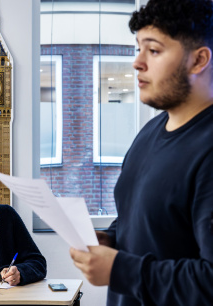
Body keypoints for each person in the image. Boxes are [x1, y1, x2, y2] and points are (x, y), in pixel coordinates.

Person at [70, 0, 213, 305]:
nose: (137, 62)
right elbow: (147, 220)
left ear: (199, 60)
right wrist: (111, 239)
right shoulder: (149, 132)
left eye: (154, 50)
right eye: (138, 48)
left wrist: (121, 269)